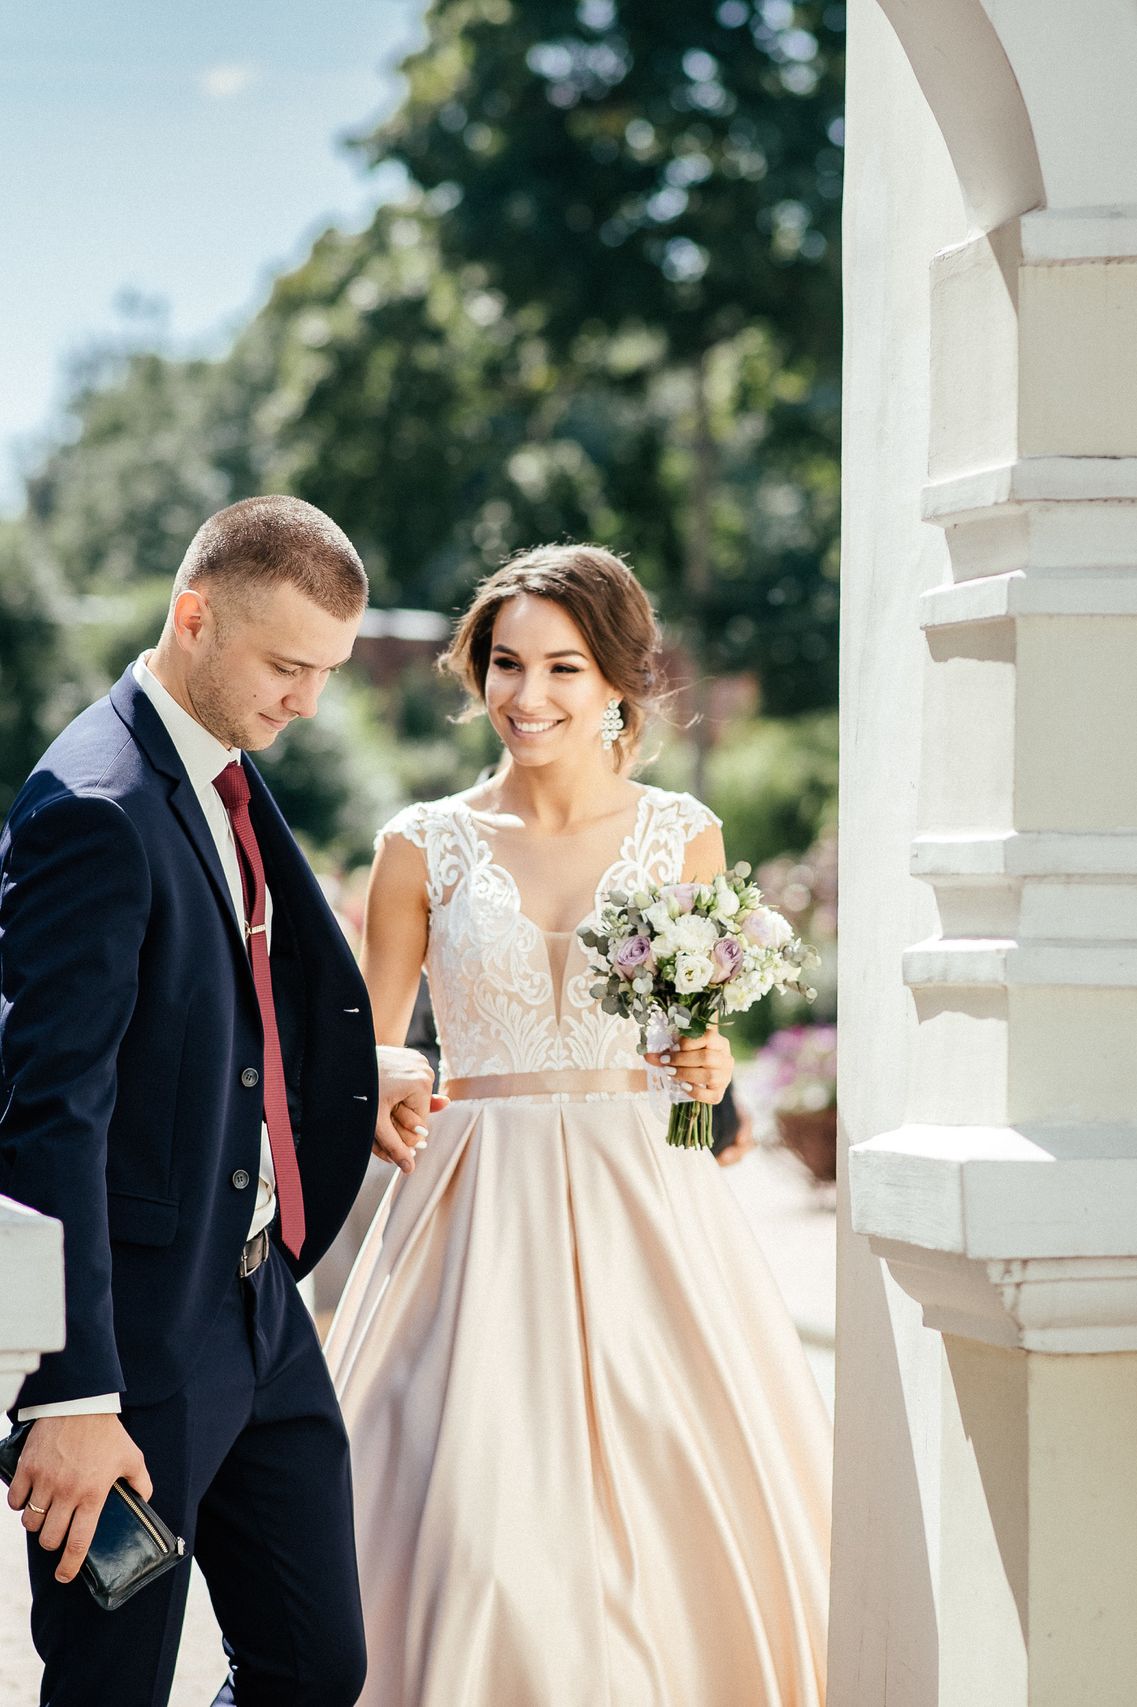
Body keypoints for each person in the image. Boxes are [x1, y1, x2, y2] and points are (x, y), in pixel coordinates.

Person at [325, 545, 832, 1706]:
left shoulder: (682, 833)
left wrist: (707, 1072)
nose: (528, 696)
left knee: (673, 1512)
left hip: (645, 1210)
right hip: (471, 1215)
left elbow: (701, 1091)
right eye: (505, 665)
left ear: (618, 682)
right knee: (469, 1521)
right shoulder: (419, 846)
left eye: (562, 666)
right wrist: (385, 1079)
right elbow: (369, 1053)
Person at [0, 496, 441, 1707]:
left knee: (313, 1667)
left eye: (325, 671)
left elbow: (222, 1008)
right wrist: (71, 1392)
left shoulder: (220, 769)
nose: (308, 701)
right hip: (134, 1347)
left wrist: (344, 1081)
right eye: (288, 665)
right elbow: (45, 1111)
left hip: (262, 1315)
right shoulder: (95, 806)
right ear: (192, 617)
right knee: (111, 1685)